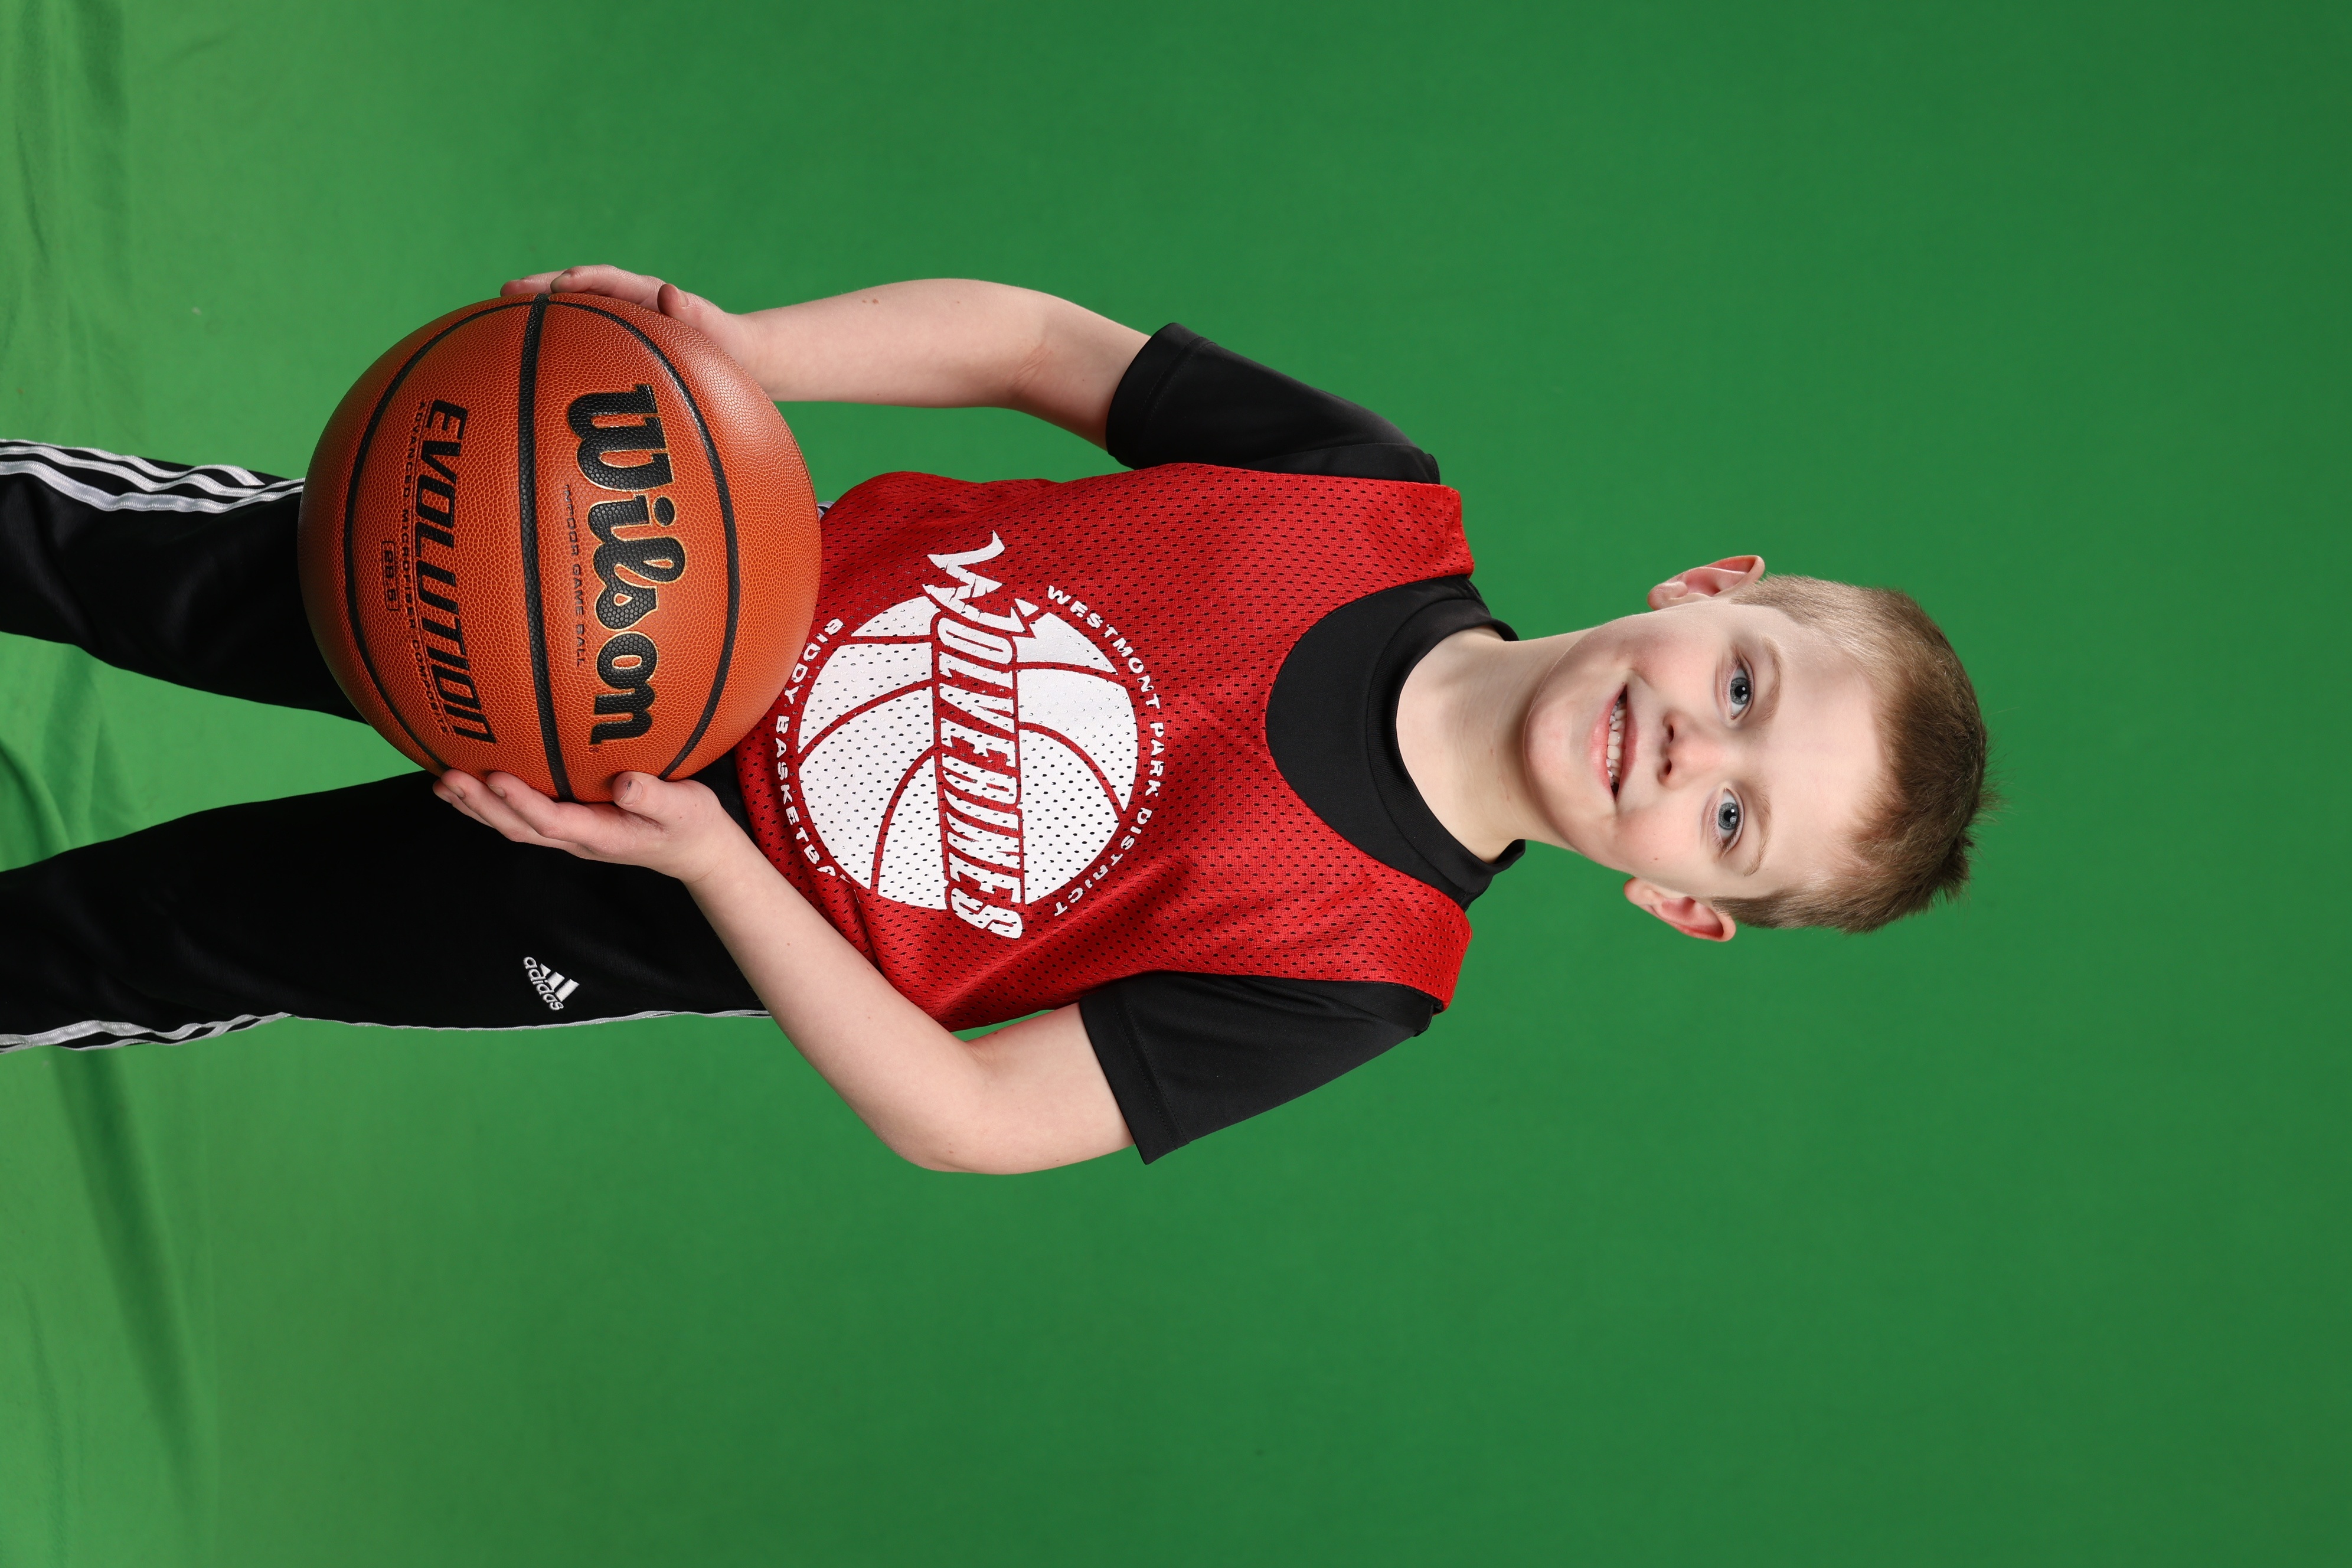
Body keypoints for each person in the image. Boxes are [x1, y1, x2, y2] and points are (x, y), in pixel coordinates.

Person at [0, 267, 1991, 1171]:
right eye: (1748, 688)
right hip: (609, 574)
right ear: (1707, 591)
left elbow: (972, 1119)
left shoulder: (1357, 973)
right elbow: (1037, 345)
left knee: (176, 935)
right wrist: (733, 359)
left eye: (1736, 818)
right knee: (120, 563)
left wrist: (709, 860)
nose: (1695, 751)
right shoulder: (1362, 499)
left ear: (1682, 904)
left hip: (626, 897)